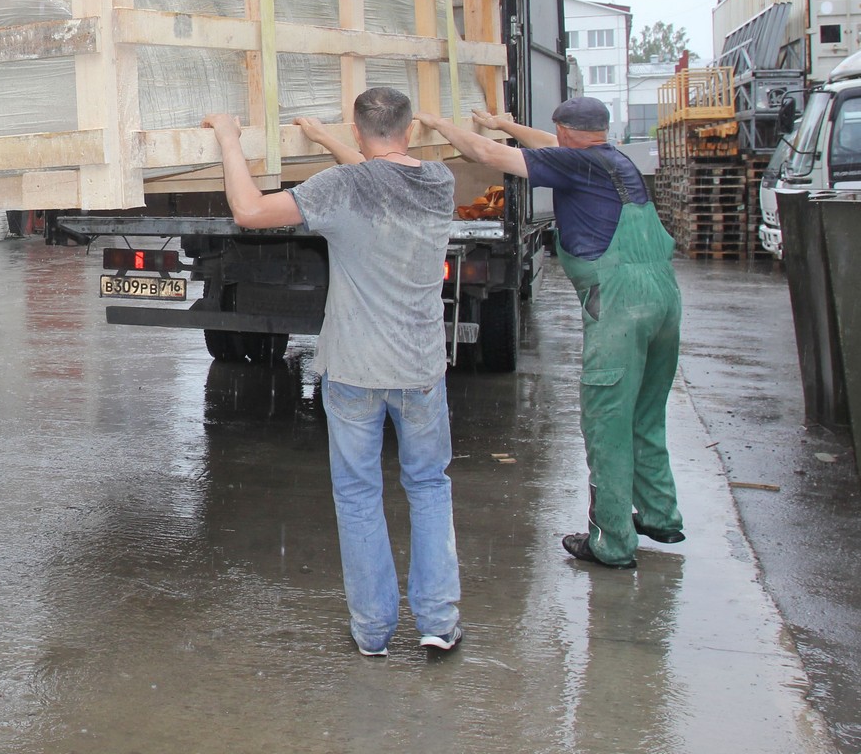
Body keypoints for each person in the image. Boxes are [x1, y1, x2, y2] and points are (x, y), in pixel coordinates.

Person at [204, 89, 463, 656]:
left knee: (358, 495)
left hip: (354, 371)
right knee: (428, 487)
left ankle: (373, 632)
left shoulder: (341, 189)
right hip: (420, 369)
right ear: (409, 130)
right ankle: (439, 624)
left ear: (357, 128)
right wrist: (325, 139)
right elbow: (381, 174)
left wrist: (228, 135)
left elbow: (248, 211)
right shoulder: (439, 182)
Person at [418, 98, 684, 570]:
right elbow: (545, 145)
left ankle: (611, 541)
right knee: (645, 413)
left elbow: (487, 154)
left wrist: (439, 122)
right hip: (663, 297)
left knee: (606, 422)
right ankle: (660, 515)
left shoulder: (576, 162)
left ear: (565, 133)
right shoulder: (614, 159)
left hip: (621, 302)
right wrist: (506, 124)